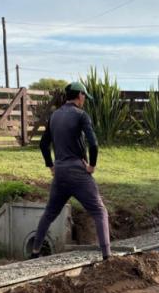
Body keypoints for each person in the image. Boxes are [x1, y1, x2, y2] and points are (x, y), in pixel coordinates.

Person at [31, 82, 112, 260]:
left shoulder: (54, 116)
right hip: (78, 172)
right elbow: (94, 144)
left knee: (50, 213)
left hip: (60, 172)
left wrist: (51, 166)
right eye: (84, 97)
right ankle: (107, 256)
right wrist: (92, 165)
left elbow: (43, 144)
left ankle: (35, 251)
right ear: (80, 95)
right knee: (99, 211)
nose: (84, 100)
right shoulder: (81, 115)